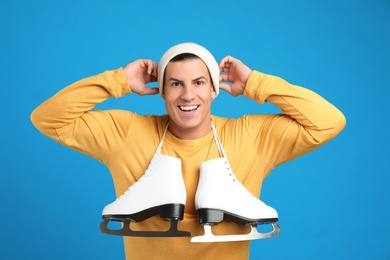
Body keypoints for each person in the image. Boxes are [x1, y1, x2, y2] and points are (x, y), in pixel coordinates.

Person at [31, 42, 346, 259]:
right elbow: (47, 119)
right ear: (162, 91)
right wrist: (118, 81)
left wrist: (255, 83)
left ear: (214, 89)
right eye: (176, 84)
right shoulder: (128, 133)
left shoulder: (248, 135)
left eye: (198, 82)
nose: (187, 95)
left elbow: (328, 122)